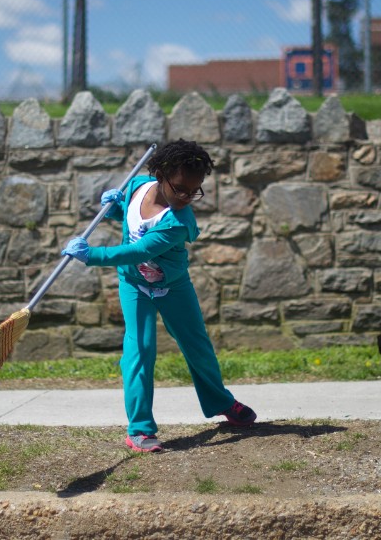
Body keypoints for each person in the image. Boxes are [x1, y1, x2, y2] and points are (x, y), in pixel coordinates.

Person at [62, 139, 257, 453]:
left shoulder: (179, 222)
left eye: (194, 191)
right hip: (134, 286)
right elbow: (132, 221)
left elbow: (139, 249)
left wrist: (91, 255)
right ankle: (139, 429)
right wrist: (115, 208)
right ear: (159, 174)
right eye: (179, 188)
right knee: (139, 350)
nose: (185, 197)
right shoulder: (138, 185)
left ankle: (222, 402)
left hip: (173, 287)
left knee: (197, 348)